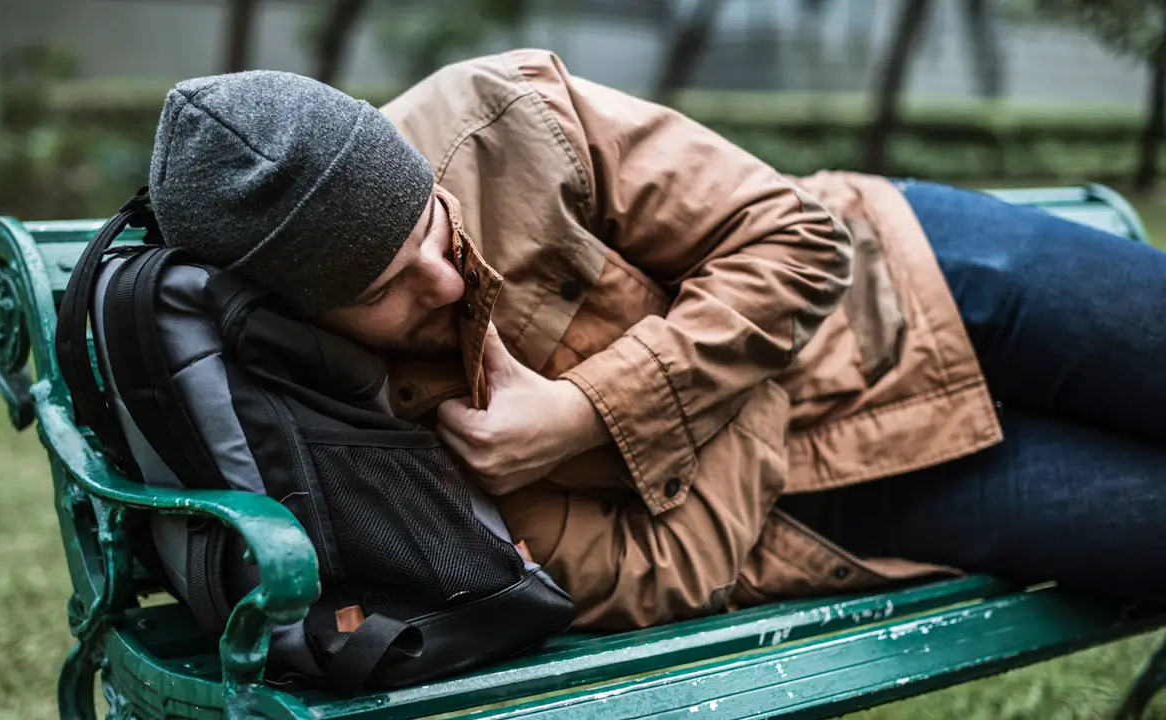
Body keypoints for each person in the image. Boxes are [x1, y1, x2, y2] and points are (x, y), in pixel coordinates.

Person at [143, 49, 1166, 631]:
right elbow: (671, 570)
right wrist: (731, 356)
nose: (445, 281)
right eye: (384, 289)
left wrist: (592, 413)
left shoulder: (499, 117)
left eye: (432, 227)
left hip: (912, 271)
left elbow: (796, 239)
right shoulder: (367, 444)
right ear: (304, 316)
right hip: (848, 492)